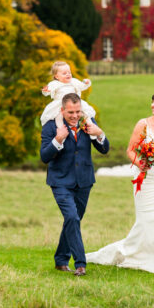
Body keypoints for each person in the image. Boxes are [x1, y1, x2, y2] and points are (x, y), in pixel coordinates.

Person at [86, 91, 154, 275]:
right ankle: (140, 255)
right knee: (146, 222)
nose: (153, 105)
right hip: (145, 180)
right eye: (153, 102)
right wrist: (140, 163)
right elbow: (130, 150)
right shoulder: (143, 124)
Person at [40, 93, 109, 276]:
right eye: (70, 112)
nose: (74, 115)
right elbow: (44, 156)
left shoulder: (88, 122)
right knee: (72, 218)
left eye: (78, 111)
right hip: (60, 181)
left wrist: (99, 134)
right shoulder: (51, 127)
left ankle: (61, 260)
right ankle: (80, 264)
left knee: (73, 220)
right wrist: (58, 139)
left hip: (84, 181)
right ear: (62, 110)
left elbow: (105, 149)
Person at [40, 61, 96, 129]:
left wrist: (86, 83)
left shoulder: (73, 81)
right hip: (60, 104)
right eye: (64, 73)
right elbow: (49, 91)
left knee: (84, 114)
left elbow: (82, 86)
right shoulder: (54, 84)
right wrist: (46, 90)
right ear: (56, 76)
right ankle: (61, 129)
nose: (68, 74)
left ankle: (90, 127)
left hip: (74, 103)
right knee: (58, 116)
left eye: (69, 72)